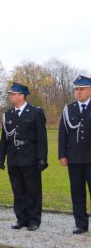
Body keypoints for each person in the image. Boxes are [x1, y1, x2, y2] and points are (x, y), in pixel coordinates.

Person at [0, 82, 48, 231]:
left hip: (30, 157)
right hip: (14, 157)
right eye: (10, 94)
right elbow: (4, 139)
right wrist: (1, 157)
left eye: (13, 94)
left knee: (32, 189)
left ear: (22, 95)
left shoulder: (35, 113)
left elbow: (42, 138)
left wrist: (42, 158)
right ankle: (21, 218)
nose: (10, 96)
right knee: (18, 190)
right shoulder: (7, 115)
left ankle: (34, 219)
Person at [58, 75, 91, 234]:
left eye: (82, 89)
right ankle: (81, 224)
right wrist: (62, 154)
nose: (78, 92)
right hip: (74, 158)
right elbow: (62, 134)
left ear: (89, 90)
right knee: (77, 192)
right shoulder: (68, 109)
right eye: (76, 89)